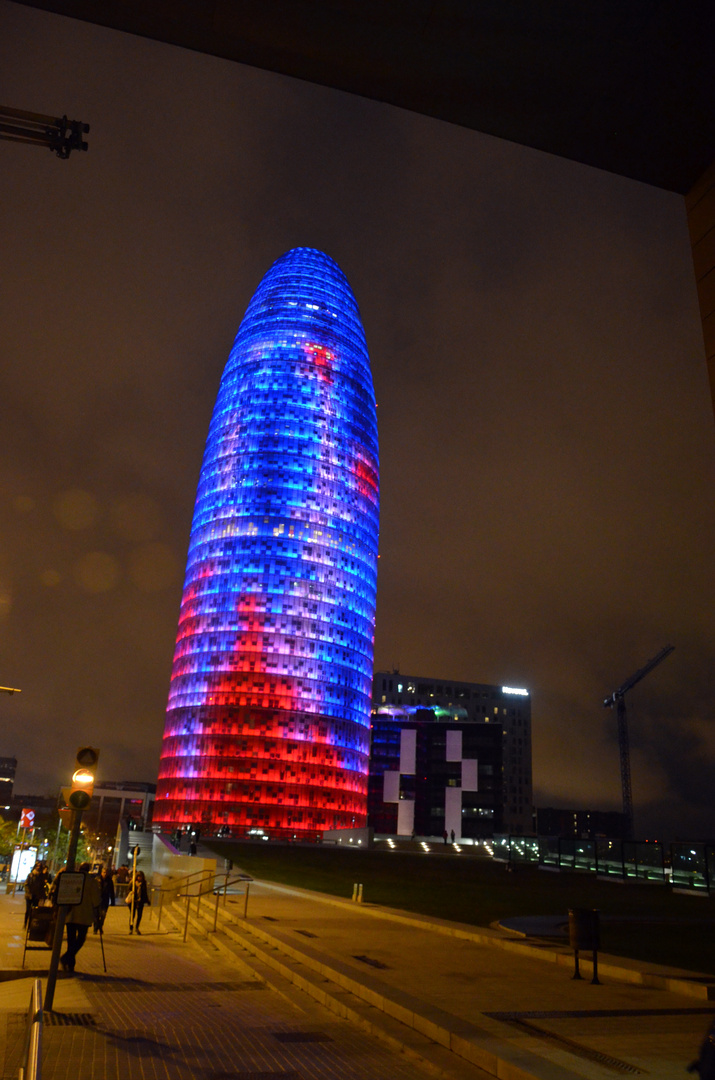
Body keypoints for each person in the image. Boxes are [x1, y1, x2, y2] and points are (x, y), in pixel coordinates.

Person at [56, 862, 102, 973]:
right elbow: (96, 900)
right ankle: (67, 960)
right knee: (81, 939)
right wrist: (97, 912)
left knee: (71, 940)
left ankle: (69, 962)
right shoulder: (92, 882)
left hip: (71, 914)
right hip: (84, 915)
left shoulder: (74, 879)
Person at [126, 869, 150, 934]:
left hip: (140, 901)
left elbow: (145, 892)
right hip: (133, 901)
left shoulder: (143, 883)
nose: (139, 878)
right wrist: (131, 892)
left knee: (139, 915)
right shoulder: (133, 883)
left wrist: (147, 900)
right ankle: (131, 928)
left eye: (141, 877)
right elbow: (128, 890)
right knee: (132, 915)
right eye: (138, 877)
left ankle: (137, 927)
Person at [96, 865, 115, 931]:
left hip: (105, 900)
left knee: (103, 914)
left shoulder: (109, 881)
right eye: (104, 872)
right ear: (101, 872)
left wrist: (113, 901)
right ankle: (96, 928)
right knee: (97, 915)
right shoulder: (97, 879)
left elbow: (112, 892)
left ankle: (100, 926)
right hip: (97, 899)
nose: (105, 874)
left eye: (106, 872)